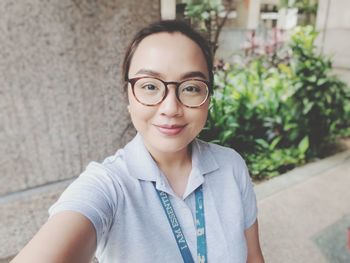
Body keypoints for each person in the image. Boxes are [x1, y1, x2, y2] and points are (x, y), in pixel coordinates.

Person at [11, 20, 264, 263]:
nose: (170, 108)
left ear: (207, 98)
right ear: (129, 96)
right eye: (150, 86)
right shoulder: (108, 186)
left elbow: (253, 258)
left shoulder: (231, 166)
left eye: (190, 87)